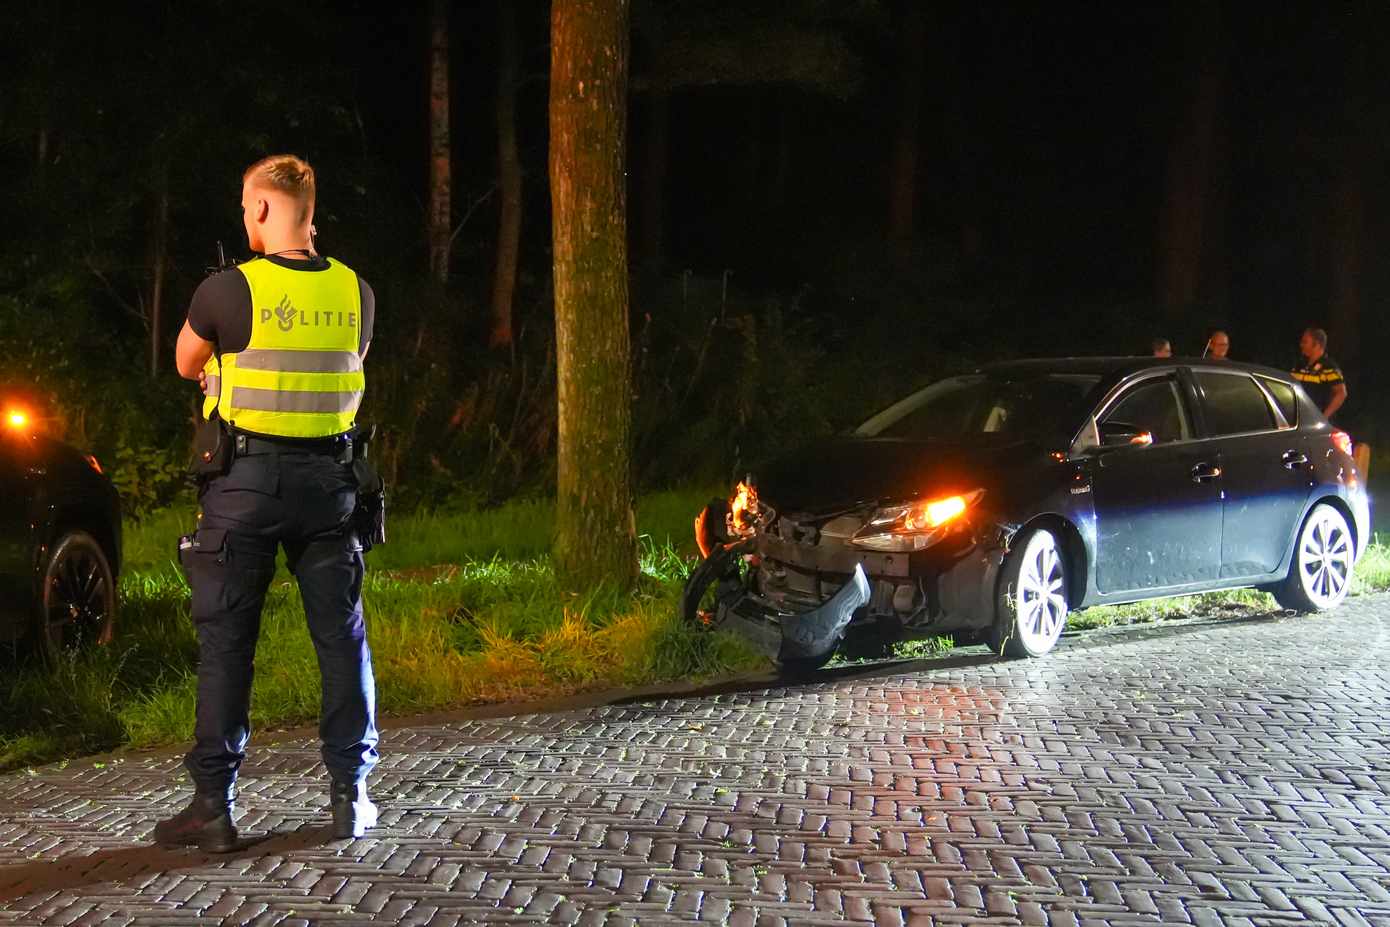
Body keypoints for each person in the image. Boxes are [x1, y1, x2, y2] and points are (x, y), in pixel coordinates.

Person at [156, 154, 379, 851]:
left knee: (227, 643)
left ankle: (213, 807)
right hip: (331, 486)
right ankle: (352, 796)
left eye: (244, 206)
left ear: (259, 210)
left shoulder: (225, 290)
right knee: (340, 639)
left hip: (244, 484)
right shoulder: (356, 292)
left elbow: (185, 363)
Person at [1292, 327, 1348, 421]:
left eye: (1305, 342)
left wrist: (1323, 417)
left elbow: (1341, 393)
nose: (1301, 345)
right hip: (1297, 419)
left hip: (1315, 423)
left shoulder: (1328, 367)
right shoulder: (1299, 365)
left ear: (1316, 344)